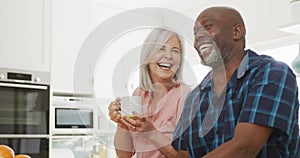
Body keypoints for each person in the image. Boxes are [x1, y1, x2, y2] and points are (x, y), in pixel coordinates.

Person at [172, 6, 300, 158]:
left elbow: (244, 147)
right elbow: (182, 153)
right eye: (195, 34)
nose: (198, 37)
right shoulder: (193, 98)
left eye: (207, 27)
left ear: (236, 32)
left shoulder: (272, 73)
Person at [108, 28, 191, 158]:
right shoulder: (139, 94)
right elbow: (124, 154)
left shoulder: (185, 96)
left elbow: (187, 156)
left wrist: (151, 132)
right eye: (161, 48)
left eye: (175, 51)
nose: (168, 56)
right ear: (148, 56)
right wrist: (122, 122)